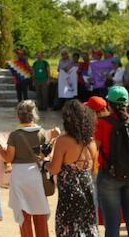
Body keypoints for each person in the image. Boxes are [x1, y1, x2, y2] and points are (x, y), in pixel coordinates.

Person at [0, 100, 51, 237]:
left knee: (24, 214)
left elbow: (8, 158)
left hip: (19, 176)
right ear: (33, 114)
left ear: (18, 116)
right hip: (36, 175)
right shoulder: (41, 132)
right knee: (40, 212)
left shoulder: (15, 135)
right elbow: (44, 155)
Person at [95, 86, 129, 236]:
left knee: (112, 223)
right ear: (127, 103)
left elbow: (93, 151)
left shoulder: (101, 124)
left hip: (109, 177)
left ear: (108, 103)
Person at [45, 100, 99, 236]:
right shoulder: (91, 141)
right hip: (87, 186)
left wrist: (45, 164)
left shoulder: (63, 141)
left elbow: (55, 169)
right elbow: (94, 168)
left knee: (68, 228)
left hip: (70, 191)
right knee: (88, 225)